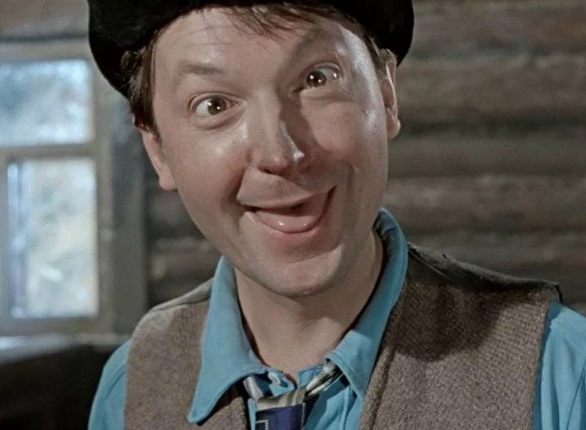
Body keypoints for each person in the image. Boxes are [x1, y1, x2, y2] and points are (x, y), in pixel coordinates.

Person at [86, 0, 586, 428]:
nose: (281, 153)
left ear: (386, 94)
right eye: (214, 105)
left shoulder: (560, 371)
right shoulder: (131, 391)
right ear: (158, 149)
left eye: (316, 79)